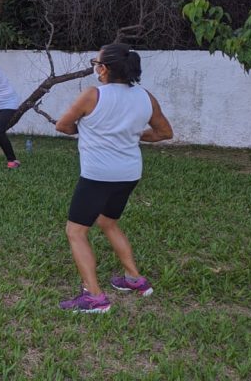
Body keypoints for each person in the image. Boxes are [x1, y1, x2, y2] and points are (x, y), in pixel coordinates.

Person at [54, 44, 173, 313]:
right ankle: (134, 279)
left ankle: (94, 296)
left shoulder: (92, 95)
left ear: (104, 68)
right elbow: (165, 132)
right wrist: (133, 135)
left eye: (96, 62)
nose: (95, 66)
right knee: (107, 222)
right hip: (129, 174)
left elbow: (63, 125)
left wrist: (86, 129)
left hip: (98, 175)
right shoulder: (146, 97)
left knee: (75, 231)